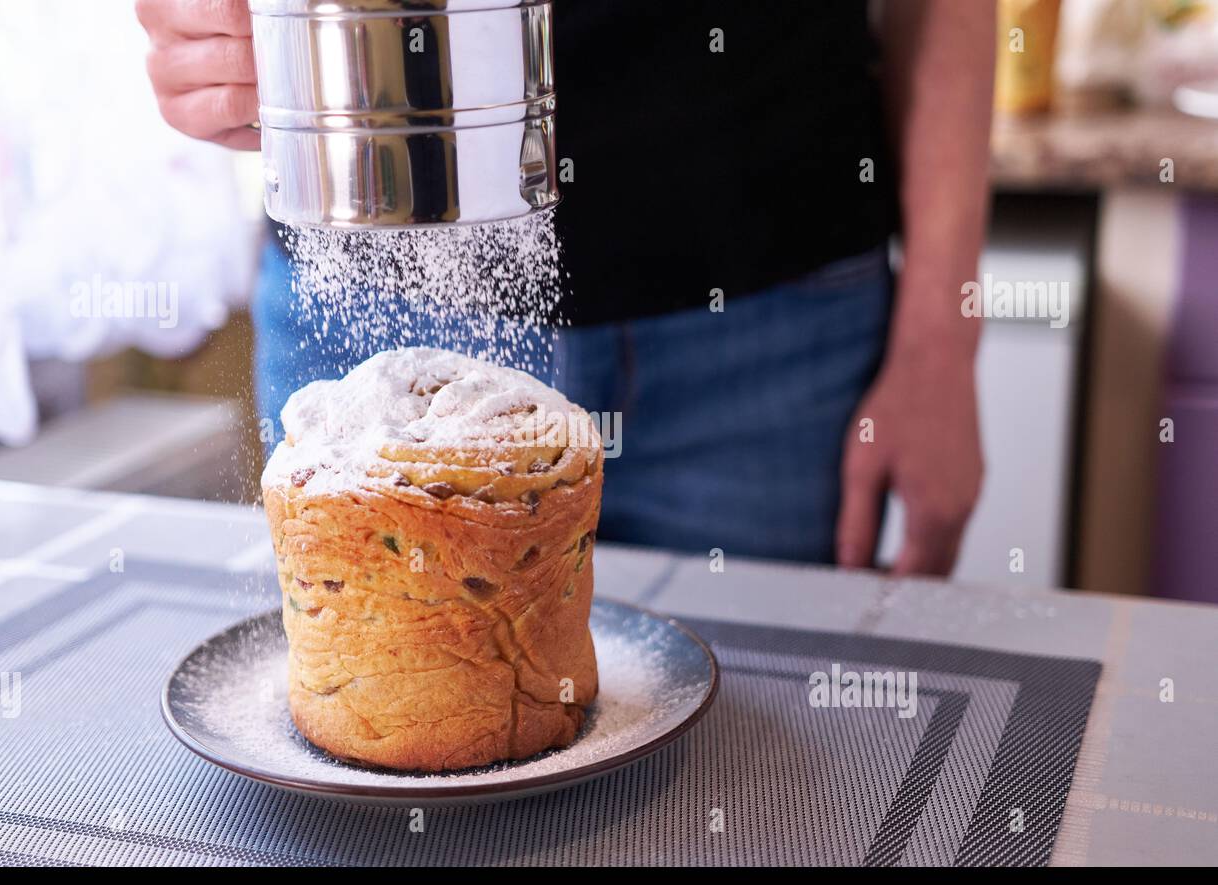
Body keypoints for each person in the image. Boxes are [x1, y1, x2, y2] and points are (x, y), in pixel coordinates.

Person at [137, 0, 992, 575]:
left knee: (750, 791)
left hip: (768, 335)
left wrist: (941, 344)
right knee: (376, 768)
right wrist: (211, 40)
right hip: (371, 314)